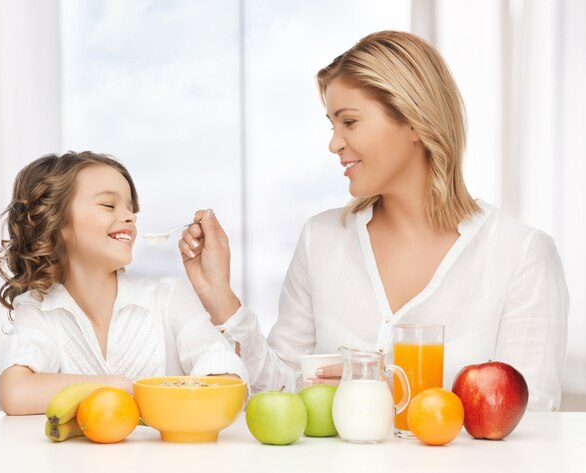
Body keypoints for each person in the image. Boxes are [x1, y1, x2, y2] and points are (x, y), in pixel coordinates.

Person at [179, 30, 569, 411]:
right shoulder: (322, 240)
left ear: (415, 121)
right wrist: (222, 301)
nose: (334, 143)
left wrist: (398, 394)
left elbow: (529, 419)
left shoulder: (520, 254)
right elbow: (283, 392)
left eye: (349, 122)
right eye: (332, 126)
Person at [0, 151, 247, 415]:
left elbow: (229, 384)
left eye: (131, 208)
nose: (130, 217)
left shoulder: (170, 298)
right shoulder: (38, 308)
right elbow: (16, 392)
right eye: (108, 205)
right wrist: (117, 387)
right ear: (57, 223)